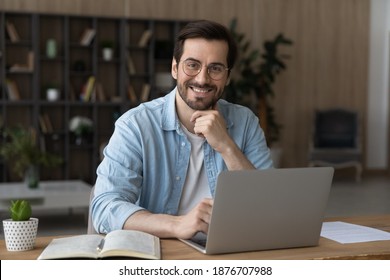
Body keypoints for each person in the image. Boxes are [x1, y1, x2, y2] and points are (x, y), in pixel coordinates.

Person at [91, 19, 273, 239]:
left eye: (215, 68)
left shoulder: (246, 122)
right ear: (175, 68)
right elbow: (104, 207)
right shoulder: (136, 125)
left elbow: (267, 206)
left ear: (227, 77)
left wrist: (226, 145)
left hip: (229, 251)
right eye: (192, 65)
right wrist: (178, 225)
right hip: (160, 254)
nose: (202, 78)